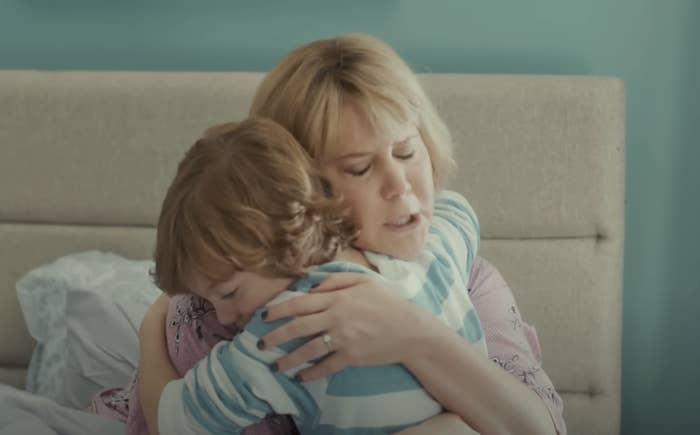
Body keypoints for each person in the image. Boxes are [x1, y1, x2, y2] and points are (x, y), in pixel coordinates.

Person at [139, 34, 566, 435]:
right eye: (359, 168)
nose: (401, 185)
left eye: (406, 151)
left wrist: (414, 334)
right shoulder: (228, 310)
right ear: (298, 192)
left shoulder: (463, 272)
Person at [139, 115, 486, 435]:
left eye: (229, 293)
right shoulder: (432, 254)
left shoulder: (288, 328)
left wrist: (149, 328)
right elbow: (456, 207)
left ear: (290, 238)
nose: (224, 317)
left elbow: (171, 422)